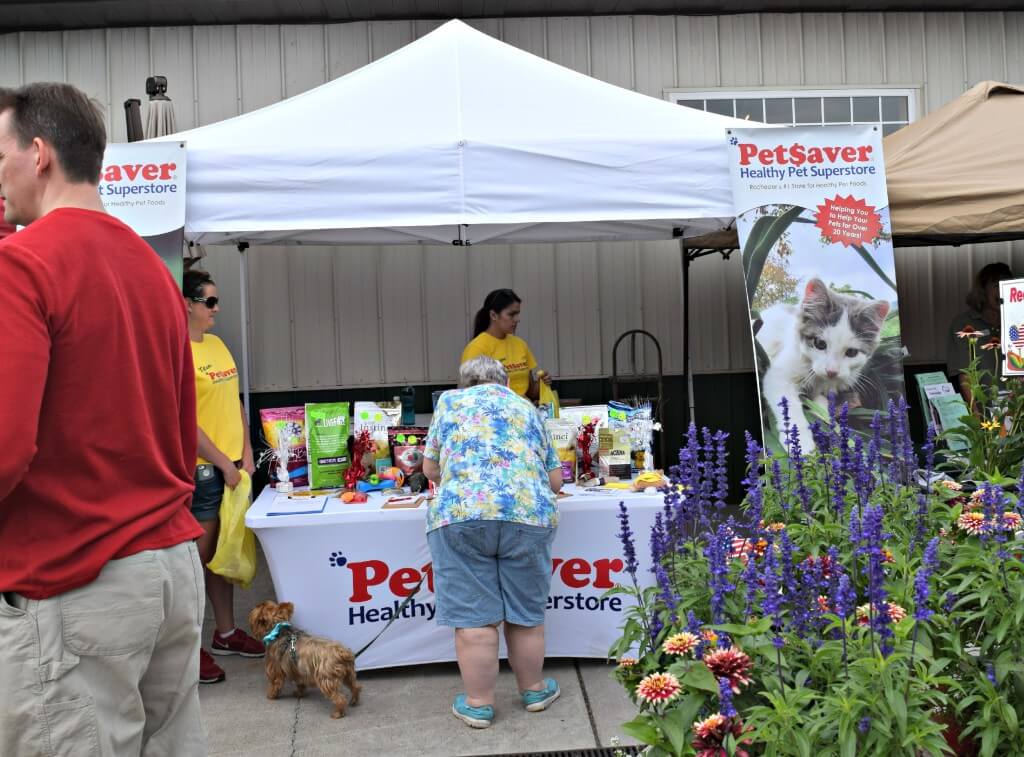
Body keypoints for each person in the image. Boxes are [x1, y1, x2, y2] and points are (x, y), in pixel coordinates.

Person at [0, 83, 206, 755]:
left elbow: (4, 446)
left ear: (38, 155)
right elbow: (182, 432)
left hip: (73, 575)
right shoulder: (153, 268)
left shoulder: (23, 265)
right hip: (169, 566)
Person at [423, 356, 563, 729]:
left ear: (463, 384)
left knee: (474, 618)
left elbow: (430, 468)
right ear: (505, 384)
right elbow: (555, 481)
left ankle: (478, 704)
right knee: (525, 613)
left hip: (461, 517)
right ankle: (534, 690)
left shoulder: (449, 403)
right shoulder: (527, 407)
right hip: (527, 517)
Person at [183, 268, 264, 684]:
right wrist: (223, 462)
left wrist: (246, 452)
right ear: (186, 304)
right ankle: (185, 650)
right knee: (194, 564)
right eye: (210, 302)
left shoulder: (216, 344)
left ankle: (226, 632)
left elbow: (233, 402)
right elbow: (183, 420)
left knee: (223, 558)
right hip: (203, 470)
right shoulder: (175, 349)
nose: (217, 309)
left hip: (232, 467)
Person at [461, 288, 553, 401]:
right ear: (493, 315)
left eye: (518, 314)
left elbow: (531, 393)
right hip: (496, 414)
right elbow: (470, 396)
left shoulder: (520, 344)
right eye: (511, 314)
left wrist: (542, 383)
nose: (517, 319)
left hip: (525, 411)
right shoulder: (476, 348)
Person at [946, 262, 1014, 405]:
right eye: (996, 285)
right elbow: (964, 376)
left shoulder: (1017, 320)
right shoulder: (964, 324)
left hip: (1017, 408)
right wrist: (976, 417)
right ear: (983, 290)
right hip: (986, 412)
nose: (1002, 290)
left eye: (1006, 284)